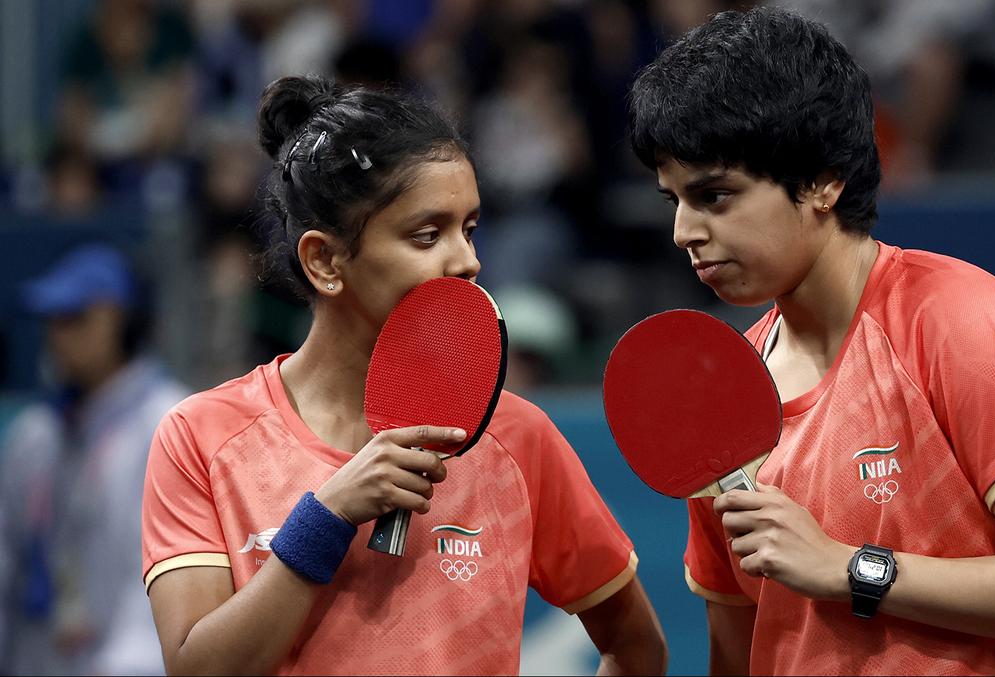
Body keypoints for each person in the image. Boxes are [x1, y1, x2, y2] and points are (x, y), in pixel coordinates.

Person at [627, 7, 995, 676]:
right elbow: (741, 645)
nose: (683, 231)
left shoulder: (959, 323)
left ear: (821, 181)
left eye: (715, 196)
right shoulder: (723, 395)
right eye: (674, 201)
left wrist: (851, 568)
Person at [141, 75, 667, 676]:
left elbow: (635, 645)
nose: (467, 260)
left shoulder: (517, 437)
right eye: (426, 235)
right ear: (325, 261)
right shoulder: (201, 437)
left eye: (469, 229)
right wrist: (327, 518)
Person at [1, 243, 188, 675]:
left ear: (117, 321)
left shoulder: (169, 422)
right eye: (52, 321)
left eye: (74, 318)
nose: (56, 336)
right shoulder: (37, 434)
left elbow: (155, 585)